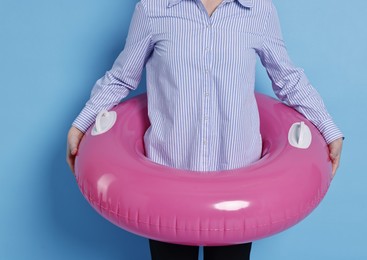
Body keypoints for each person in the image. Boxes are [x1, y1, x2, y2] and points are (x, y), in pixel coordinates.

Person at [66, 0, 344, 259]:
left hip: (238, 184)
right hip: (167, 182)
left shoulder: (258, 9)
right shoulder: (153, 8)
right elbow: (120, 78)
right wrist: (82, 124)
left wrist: (328, 129)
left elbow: (288, 79)